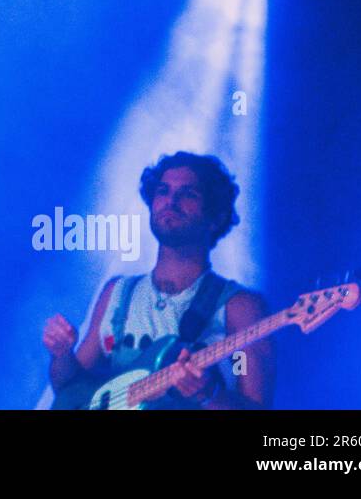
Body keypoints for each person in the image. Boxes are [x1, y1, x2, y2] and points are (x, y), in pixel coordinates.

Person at [43, 152, 276, 408]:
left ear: (216, 218)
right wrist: (61, 353)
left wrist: (209, 394)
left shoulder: (241, 307)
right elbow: (70, 389)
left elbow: (257, 408)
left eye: (189, 194)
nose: (171, 201)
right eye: (163, 191)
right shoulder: (117, 292)